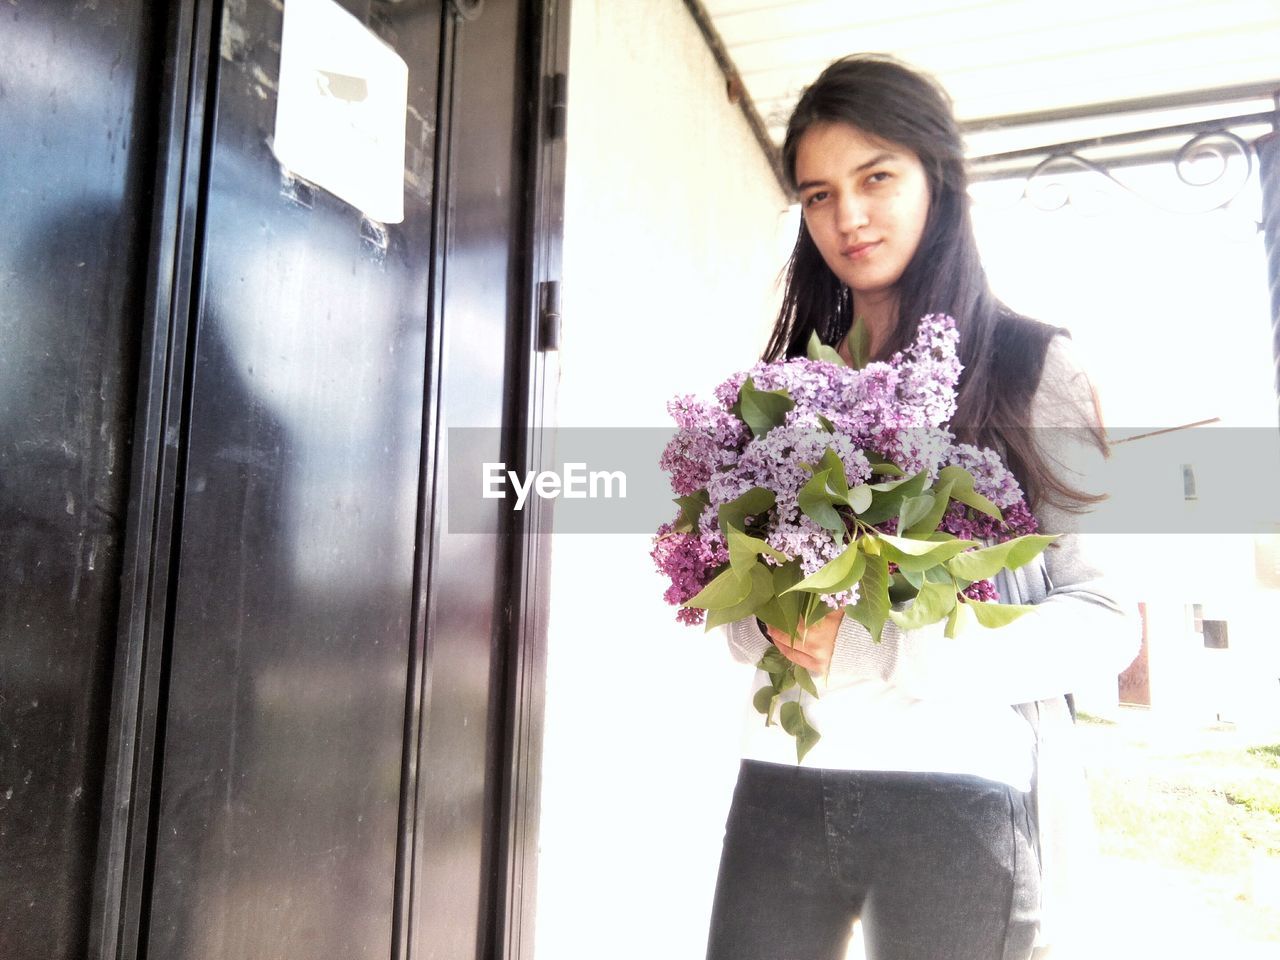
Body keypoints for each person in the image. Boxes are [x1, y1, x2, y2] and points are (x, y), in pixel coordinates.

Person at [705, 55, 1140, 960]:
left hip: (957, 794)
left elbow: (1105, 619)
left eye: (876, 179)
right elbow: (744, 603)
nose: (848, 218)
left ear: (937, 178)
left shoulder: (1030, 366)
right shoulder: (786, 387)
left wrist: (895, 642)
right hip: (784, 778)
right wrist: (767, 626)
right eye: (819, 194)